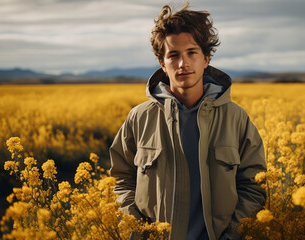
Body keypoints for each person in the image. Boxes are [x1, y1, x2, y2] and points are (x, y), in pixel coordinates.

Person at [110, 3, 266, 240]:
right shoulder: (140, 117)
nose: (183, 64)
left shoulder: (235, 118)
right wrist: (141, 232)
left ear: (206, 58)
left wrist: (232, 236)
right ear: (162, 64)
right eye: (173, 55)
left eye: (192, 52)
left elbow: (254, 187)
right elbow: (121, 180)